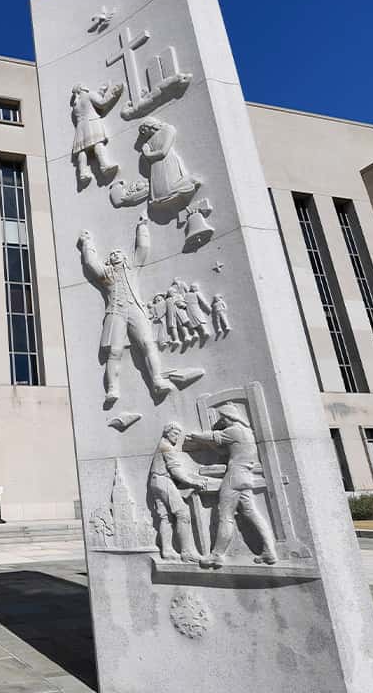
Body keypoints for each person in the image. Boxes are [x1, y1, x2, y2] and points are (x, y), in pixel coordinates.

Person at [78, 217, 174, 404]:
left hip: (135, 309)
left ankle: (157, 380)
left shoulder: (132, 270)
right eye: (112, 254)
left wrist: (142, 226)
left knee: (148, 343)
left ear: (124, 258)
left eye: (118, 253)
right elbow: (91, 264)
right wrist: (87, 243)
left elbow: (143, 250)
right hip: (116, 313)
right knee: (114, 352)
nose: (114, 255)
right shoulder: (107, 275)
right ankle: (113, 388)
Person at [187, 402, 278, 567]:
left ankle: (216, 555)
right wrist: (210, 444)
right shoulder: (247, 433)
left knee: (225, 516)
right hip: (246, 477)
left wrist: (195, 436)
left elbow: (213, 436)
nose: (223, 422)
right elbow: (223, 451)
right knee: (252, 513)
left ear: (230, 417)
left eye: (224, 418)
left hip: (234, 477)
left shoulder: (234, 430)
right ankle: (270, 551)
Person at [148, 422, 215, 562]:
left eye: (179, 434)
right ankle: (186, 552)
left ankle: (167, 551)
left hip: (156, 481)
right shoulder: (166, 447)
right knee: (183, 513)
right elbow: (175, 471)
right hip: (163, 481)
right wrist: (193, 482)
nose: (177, 437)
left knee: (165, 517)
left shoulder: (162, 445)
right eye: (175, 433)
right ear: (167, 432)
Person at [71, 82, 124, 184]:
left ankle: (82, 173)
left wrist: (101, 91)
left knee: (83, 149)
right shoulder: (89, 94)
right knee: (97, 144)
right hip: (92, 122)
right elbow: (102, 103)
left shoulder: (75, 104)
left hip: (81, 127)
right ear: (82, 88)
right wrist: (114, 93)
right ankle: (104, 166)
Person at [138, 117, 199, 205]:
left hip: (167, 161)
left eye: (143, 129)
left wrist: (148, 155)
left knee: (170, 187)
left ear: (149, 125)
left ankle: (190, 181)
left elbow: (163, 152)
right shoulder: (148, 142)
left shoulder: (168, 129)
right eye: (142, 131)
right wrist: (147, 153)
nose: (143, 133)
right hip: (156, 167)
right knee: (160, 193)